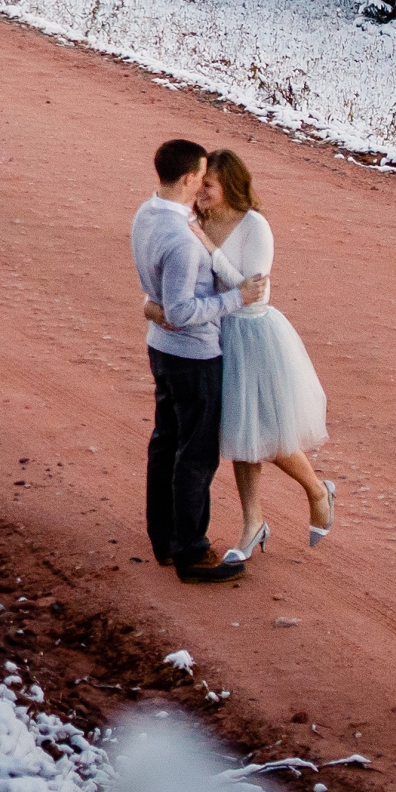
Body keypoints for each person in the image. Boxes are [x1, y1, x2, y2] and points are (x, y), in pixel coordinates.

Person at [131, 136, 262, 584]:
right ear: (189, 178)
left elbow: (163, 301)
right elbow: (184, 313)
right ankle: (190, 550)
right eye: (202, 176)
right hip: (194, 355)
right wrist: (235, 298)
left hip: (160, 351)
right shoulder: (183, 241)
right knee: (196, 455)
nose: (205, 183)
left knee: (165, 441)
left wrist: (153, 307)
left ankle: (164, 539)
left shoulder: (146, 214)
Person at [196, 149, 334, 563]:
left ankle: (316, 490)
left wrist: (206, 246)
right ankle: (252, 522)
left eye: (208, 185)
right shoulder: (199, 218)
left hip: (255, 333)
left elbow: (250, 289)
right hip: (219, 333)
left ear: (229, 187)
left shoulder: (255, 226)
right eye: (199, 182)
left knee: (266, 432)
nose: (199, 191)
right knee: (241, 434)